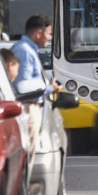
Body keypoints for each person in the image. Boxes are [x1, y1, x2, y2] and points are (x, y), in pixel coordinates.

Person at [12, 15, 62, 163]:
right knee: (26, 161)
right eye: (49, 34)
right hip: (27, 109)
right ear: (38, 33)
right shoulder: (24, 51)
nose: (50, 38)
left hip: (32, 108)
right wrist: (49, 88)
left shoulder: (28, 50)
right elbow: (23, 85)